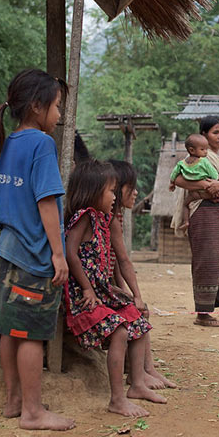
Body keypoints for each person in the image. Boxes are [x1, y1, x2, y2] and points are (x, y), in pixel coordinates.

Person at [0, 68, 74, 431]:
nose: (59, 115)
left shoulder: (10, 141)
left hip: (5, 251)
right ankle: (33, 412)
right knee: (32, 334)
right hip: (32, 254)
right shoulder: (42, 144)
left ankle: (14, 402)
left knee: (10, 330)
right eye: (57, 107)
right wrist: (58, 254)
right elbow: (46, 202)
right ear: (38, 107)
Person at [64, 160, 167, 417]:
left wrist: (131, 295)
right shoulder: (84, 217)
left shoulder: (104, 220)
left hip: (100, 292)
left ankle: (138, 384)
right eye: (111, 191)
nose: (114, 196)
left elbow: (121, 261)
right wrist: (88, 289)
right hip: (82, 296)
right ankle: (117, 399)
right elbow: (70, 252)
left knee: (136, 318)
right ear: (92, 191)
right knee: (119, 330)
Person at [107, 159, 177, 389]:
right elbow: (123, 260)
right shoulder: (110, 218)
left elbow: (115, 260)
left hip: (107, 284)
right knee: (139, 310)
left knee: (141, 308)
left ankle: (148, 369)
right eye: (132, 187)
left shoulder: (114, 216)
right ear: (118, 188)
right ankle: (142, 373)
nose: (136, 192)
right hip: (100, 287)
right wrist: (133, 294)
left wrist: (125, 289)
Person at [171, 116, 219, 327]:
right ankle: (203, 314)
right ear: (203, 135)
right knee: (207, 262)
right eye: (215, 132)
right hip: (202, 211)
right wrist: (207, 184)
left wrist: (218, 184)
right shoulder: (193, 159)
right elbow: (178, 180)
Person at [169, 133, 219, 228]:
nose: (206, 152)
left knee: (185, 204)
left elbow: (174, 174)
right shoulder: (204, 161)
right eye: (203, 149)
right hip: (208, 192)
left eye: (206, 149)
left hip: (195, 194)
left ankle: (186, 221)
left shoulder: (181, 163)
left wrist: (172, 183)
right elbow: (214, 175)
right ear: (191, 150)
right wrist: (218, 180)